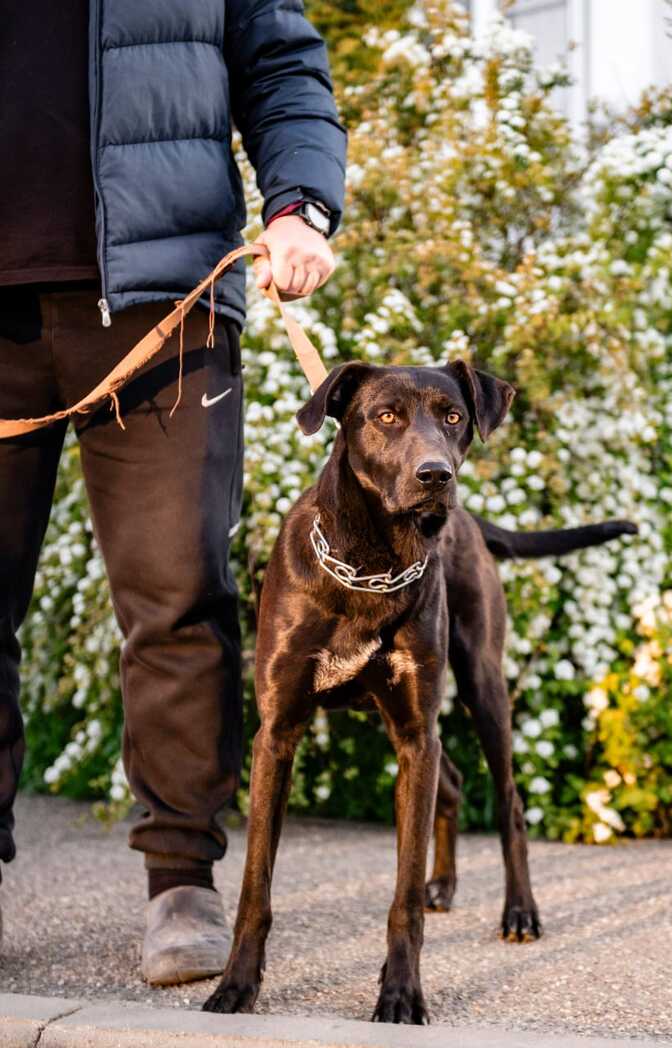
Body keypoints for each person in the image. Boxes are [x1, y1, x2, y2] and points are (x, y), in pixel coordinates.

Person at [0, 1, 346, 986]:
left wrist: (300, 204)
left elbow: (282, 68)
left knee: (179, 594)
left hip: (170, 300)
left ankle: (182, 881)